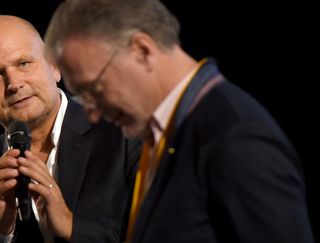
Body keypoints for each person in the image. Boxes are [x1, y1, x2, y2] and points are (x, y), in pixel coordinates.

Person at [44, 0, 315, 242]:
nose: (91, 113)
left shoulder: (236, 137)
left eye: (94, 90)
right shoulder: (162, 134)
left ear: (142, 50)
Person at [0, 15, 141, 243]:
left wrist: (70, 225)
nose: (14, 83)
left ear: (54, 64)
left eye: (23, 63)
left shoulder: (125, 133)